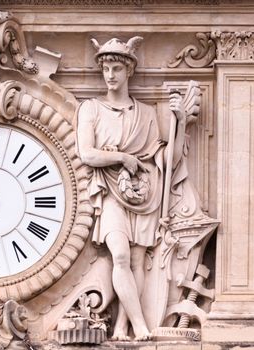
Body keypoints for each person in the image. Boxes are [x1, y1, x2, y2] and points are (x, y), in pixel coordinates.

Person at [76, 37, 186, 341]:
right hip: (111, 191)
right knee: (121, 255)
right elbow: (87, 153)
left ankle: (123, 326)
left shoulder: (147, 113)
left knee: (138, 260)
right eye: (105, 69)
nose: (110, 75)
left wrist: (182, 122)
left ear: (129, 72)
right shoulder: (91, 109)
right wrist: (123, 157)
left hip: (143, 193)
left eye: (116, 69)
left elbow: (164, 159)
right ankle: (140, 324)